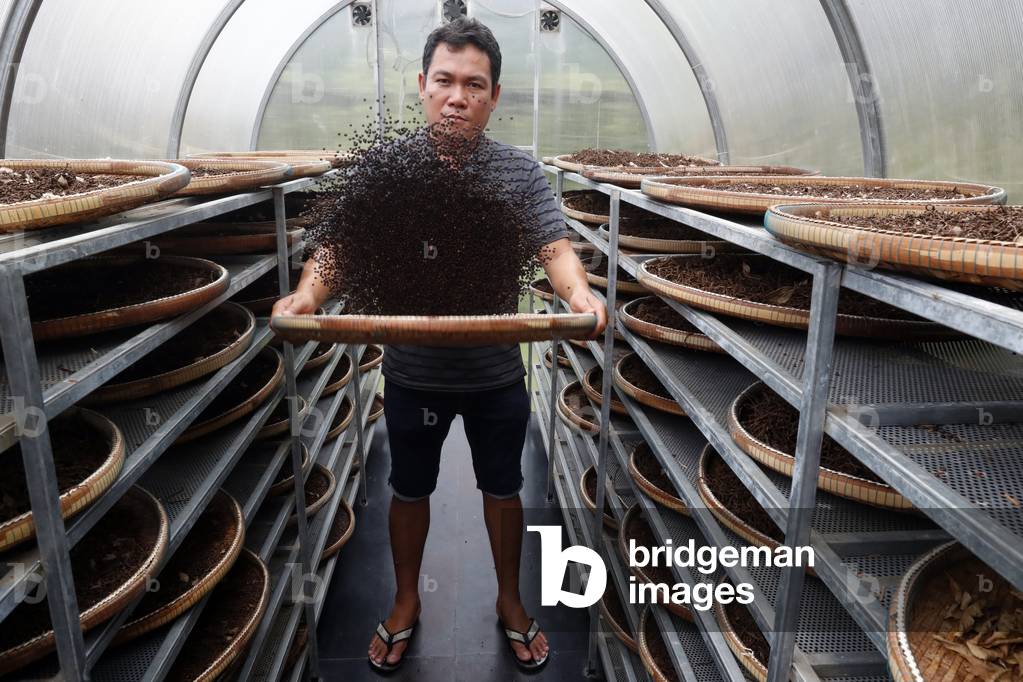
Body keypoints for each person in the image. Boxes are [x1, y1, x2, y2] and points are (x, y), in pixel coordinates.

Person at [271, 17, 607, 674]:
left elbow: (554, 246)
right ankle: (404, 601)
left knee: (503, 490)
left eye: (473, 85)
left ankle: (509, 600)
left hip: (494, 374)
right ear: (422, 85)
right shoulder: (387, 170)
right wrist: (307, 298)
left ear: (493, 95)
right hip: (413, 372)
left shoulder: (516, 173)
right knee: (408, 489)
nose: (458, 96)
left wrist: (577, 295)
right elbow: (338, 249)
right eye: (445, 81)